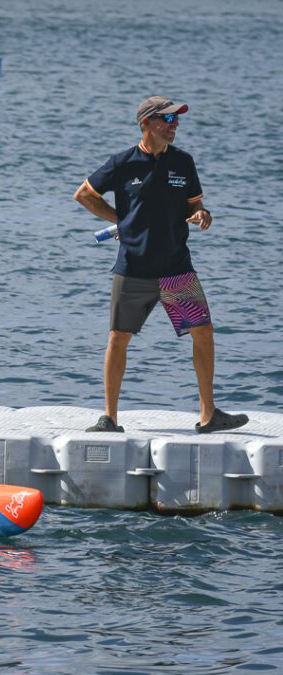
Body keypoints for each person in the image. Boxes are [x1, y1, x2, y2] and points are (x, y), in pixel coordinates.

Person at [73, 96, 248, 434]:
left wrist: (202, 213)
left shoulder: (183, 162)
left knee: (203, 332)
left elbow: (196, 205)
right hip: (134, 268)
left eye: (175, 119)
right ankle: (109, 418)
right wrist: (120, 220)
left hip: (176, 269)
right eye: (167, 119)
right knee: (118, 338)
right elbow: (84, 194)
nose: (174, 125)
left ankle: (208, 414)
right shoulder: (123, 163)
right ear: (146, 123)